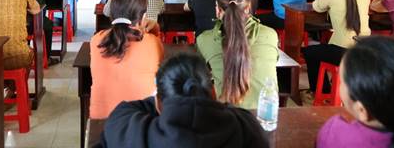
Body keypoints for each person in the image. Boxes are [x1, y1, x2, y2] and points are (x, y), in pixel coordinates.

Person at [96, 53, 269, 148]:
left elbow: (130, 109)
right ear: (214, 93)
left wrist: (159, 97)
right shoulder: (246, 128)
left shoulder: (128, 129)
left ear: (159, 103)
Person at [197, 0, 278, 109]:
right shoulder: (270, 35)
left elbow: (202, 73)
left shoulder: (205, 40)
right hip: (265, 116)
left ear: (217, 10)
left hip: (226, 117)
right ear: (248, 7)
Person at [90, 0, 164, 119]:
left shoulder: (97, 39)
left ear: (111, 15)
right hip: (140, 119)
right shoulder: (152, 42)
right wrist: (154, 27)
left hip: (102, 118)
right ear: (143, 18)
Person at [302, 0, 371, 94]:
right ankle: (334, 87)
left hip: (342, 50)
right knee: (321, 50)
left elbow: (317, 7)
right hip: (364, 48)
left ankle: (322, 92)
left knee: (309, 52)